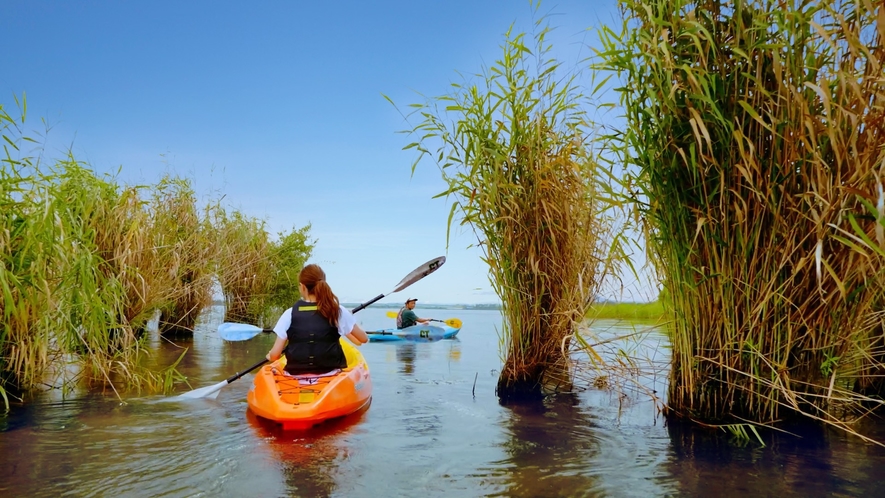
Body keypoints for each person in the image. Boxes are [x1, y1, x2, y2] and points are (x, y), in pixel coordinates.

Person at [266, 264, 369, 375]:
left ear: (302, 286)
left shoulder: (289, 314)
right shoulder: (337, 311)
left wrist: (269, 355)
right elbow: (363, 339)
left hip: (295, 376)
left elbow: (275, 355)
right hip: (330, 374)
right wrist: (347, 321)